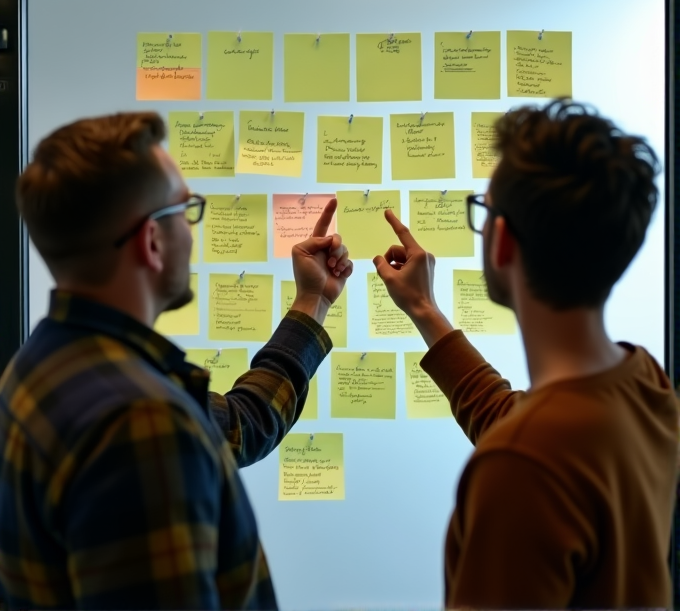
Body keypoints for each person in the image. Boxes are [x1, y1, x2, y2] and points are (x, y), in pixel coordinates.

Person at [0, 112, 352, 610]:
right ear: (151, 240)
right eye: (186, 209)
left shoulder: (43, 366)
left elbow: (238, 425)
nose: (192, 229)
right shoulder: (140, 419)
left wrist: (311, 303)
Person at [373, 99, 677, 608]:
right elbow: (524, 424)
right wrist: (425, 309)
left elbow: (528, 447)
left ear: (503, 241)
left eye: (486, 210)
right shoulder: (643, 380)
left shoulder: (520, 465)